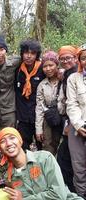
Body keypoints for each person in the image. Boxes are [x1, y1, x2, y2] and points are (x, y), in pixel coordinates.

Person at [0, 127, 83, 200]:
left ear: (20, 141)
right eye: (2, 141)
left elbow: (59, 195)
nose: (8, 143)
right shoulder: (9, 178)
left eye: (12, 138)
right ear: (1, 149)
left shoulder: (44, 158)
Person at [15, 39, 45, 150]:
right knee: (23, 147)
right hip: (23, 117)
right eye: (26, 53)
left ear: (37, 55)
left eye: (32, 53)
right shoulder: (17, 69)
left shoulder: (43, 69)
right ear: (22, 54)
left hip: (39, 116)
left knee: (42, 147)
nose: (29, 56)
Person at [57, 45, 78, 192]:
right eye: (62, 59)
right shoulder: (66, 75)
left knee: (69, 160)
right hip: (70, 121)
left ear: (75, 58)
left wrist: (72, 123)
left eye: (68, 58)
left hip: (78, 124)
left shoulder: (78, 75)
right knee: (65, 159)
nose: (65, 61)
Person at [66, 44, 86, 199]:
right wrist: (78, 125)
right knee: (78, 167)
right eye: (84, 58)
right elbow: (71, 104)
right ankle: (81, 196)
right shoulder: (74, 79)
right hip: (78, 128)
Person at [35, 51, 62, 155]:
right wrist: (38, 129)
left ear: (57, 65)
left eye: (51, 65)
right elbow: (39, 107)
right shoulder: (42, 85)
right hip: (49, 120)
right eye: (45, 66)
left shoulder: (64, 80)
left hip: (63, 117)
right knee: (48, 147)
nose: (48, 69)